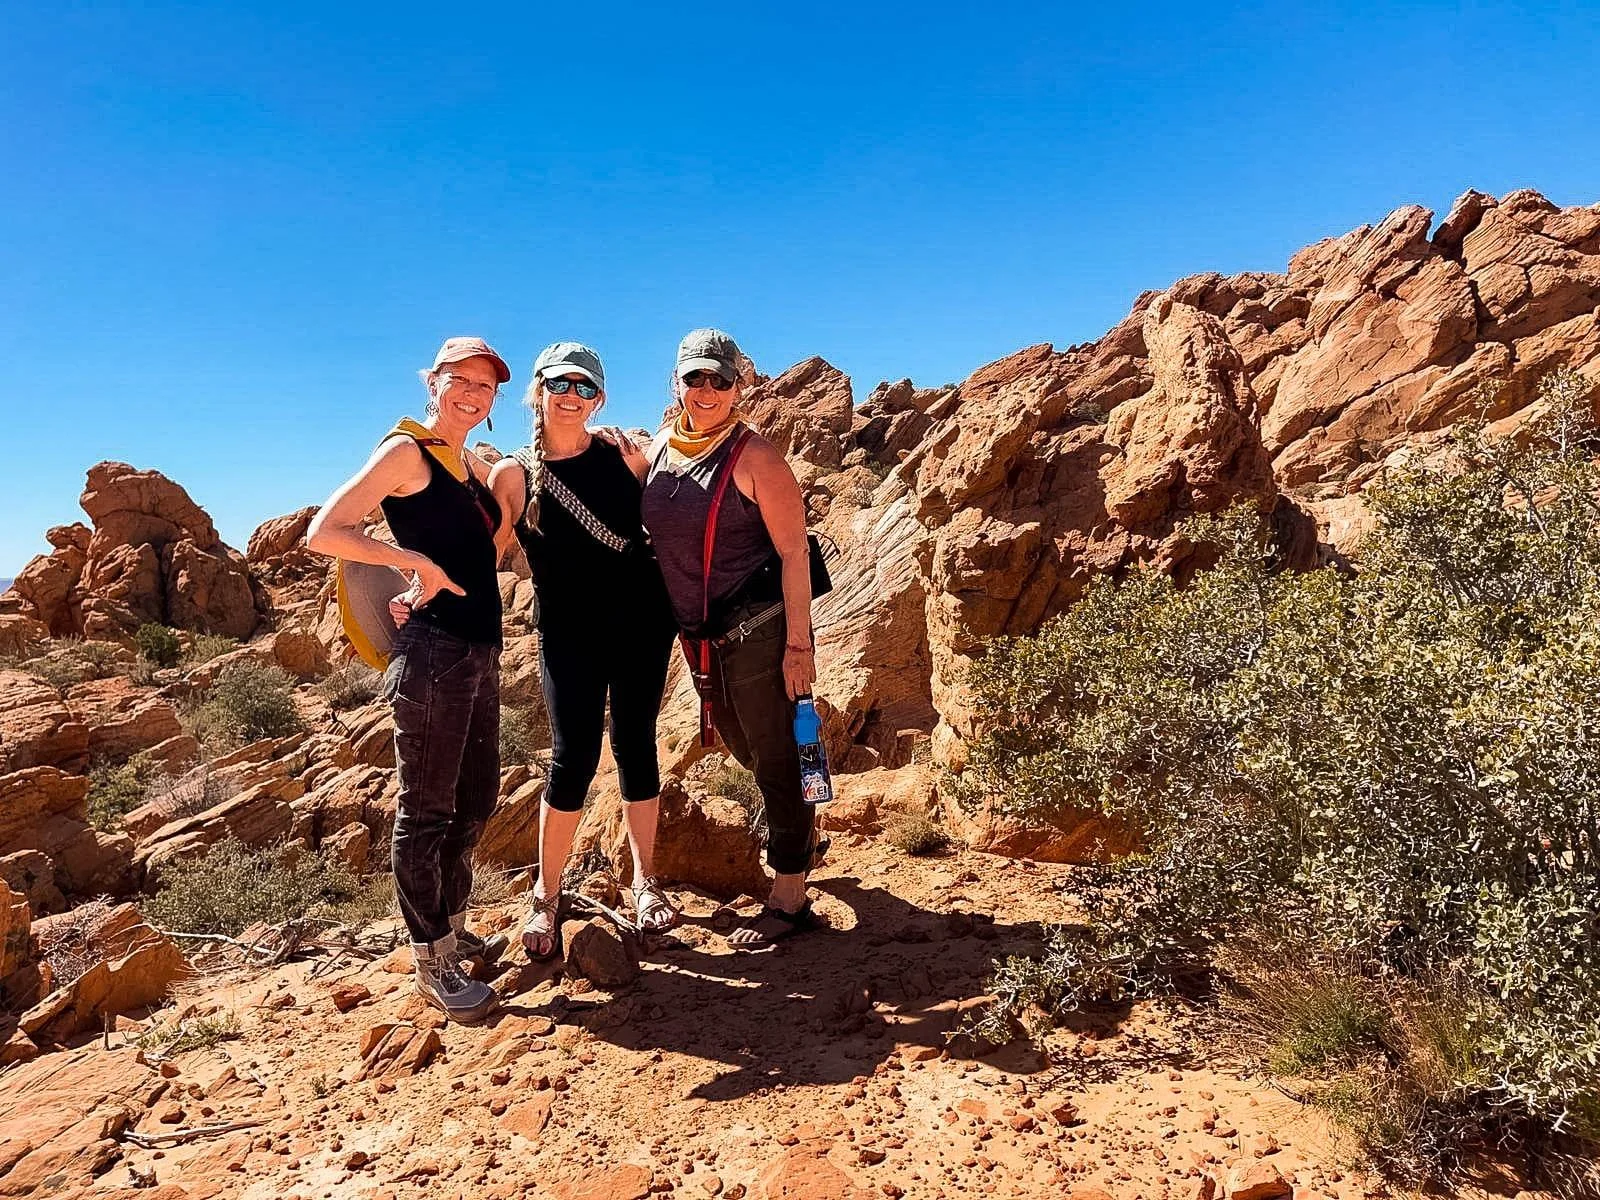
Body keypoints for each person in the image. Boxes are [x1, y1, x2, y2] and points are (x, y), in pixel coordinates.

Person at [305, 336, 509, 1023]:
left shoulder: (464, 461)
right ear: (433, 382)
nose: (472, 395)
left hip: (478, 649)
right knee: (425, 811)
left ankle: (451, 925)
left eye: (485, 387)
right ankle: (432, 960)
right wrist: (412, 562)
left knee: (475, 797)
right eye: (461, 380)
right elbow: (324, 530)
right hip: (434, 653)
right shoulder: (406, 452)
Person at [485, 342, 679, 960]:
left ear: (599, 398)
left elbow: (672, 514)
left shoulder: (625, 454)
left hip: (642, 621)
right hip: (569, 631)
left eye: (584, 387)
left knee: (636, 743)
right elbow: (487, 552)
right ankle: (546, 893)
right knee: (573, 757)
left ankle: (645, 881)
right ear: (537, 391)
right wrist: (421, 585)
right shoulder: (513, 475)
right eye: (560, 384)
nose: (571, 397)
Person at [641, 329, 821, 949]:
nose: (706, 390)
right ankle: (805, 832)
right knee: (743, 746)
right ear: (677, 383)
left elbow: (795, 552)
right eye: (694, 377)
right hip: (702, 635)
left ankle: (790, 895)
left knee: (775, 753)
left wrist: (799, 646)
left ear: (739, 386)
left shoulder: (755, 457)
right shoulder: (662, 448)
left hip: (758, 628)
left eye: (719, 379)